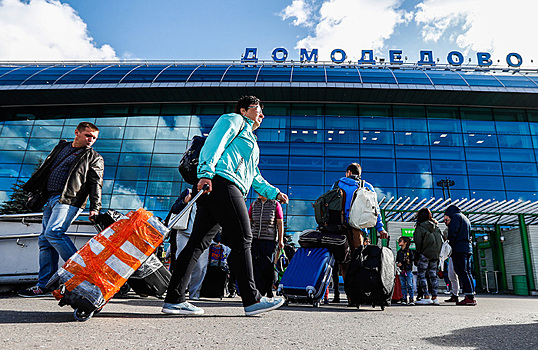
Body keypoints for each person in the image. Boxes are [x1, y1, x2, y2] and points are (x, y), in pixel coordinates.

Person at [162, 95, 289, 316]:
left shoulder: (250, 139)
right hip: (222, 182)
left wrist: (274, 193)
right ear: (243, 110)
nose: (262, 115)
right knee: (243, 238)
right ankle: (252, 300)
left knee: (197, 243)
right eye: (257, 110)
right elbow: (214, 144)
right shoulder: (233, 120)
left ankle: (174, 299)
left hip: (226, 186)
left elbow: (254, 176)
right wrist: (205, 173)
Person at [18, 122, 104, 297]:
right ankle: (45, 285)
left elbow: (96, 184)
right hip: (49, 198)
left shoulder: (94, 158)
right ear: (76, 133)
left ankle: (84, 273)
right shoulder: (62, 147)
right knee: (44, 241)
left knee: (54, 233)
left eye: (94, 138)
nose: (90, 140)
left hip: (69, 200)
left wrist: (95, 208)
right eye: (88, 135)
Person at [167, 189, 221, 300]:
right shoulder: (188, 192)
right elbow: (174, 209)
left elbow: (216, 217)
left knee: (200, 266)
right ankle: (178, 291)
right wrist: (184, 202)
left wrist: (218, 237)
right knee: (181, 261)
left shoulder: (211, 195)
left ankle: (194, 293)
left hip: (201, 235)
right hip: (183, 232)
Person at [248, 192, 284, 298]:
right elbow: (249, 222)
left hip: (269, 240)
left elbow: (280, 223)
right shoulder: (254, 204)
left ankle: (268, 290)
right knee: (255, 265)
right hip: (255, 239)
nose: (258, 193)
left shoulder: (275, 204)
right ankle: (259, 290)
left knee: (267, 265)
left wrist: (280, 240)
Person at [444, 204, 477, 306]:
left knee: (462, 271)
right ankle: (471, 295)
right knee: (467, 272)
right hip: (467, 248)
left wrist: (450, 244)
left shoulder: (455, 217)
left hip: (459, 248)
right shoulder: (465, 218)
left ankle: (469, 297)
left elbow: (453, 232)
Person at [413, 208, 443, 305]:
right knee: (433, 275)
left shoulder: (420, 227)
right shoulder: (436, 227)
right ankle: (435, 297)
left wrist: (417, 254)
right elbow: (441, 241)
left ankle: (426, 296)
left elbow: (418, 242)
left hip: (424, 254)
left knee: (422, 275)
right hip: (435, 255)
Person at [396, 236, 415, 305]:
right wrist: (398, 264)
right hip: (401, 270)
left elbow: (410, 261)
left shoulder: (410, 252)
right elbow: (397, 260)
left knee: (410, 285)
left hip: (408, 270)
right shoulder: (399, 252)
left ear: (405, 243)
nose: (399, 242)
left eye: (400, 241)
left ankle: (411, 299)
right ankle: (404, 298)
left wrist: (402, 263)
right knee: (403, 285)